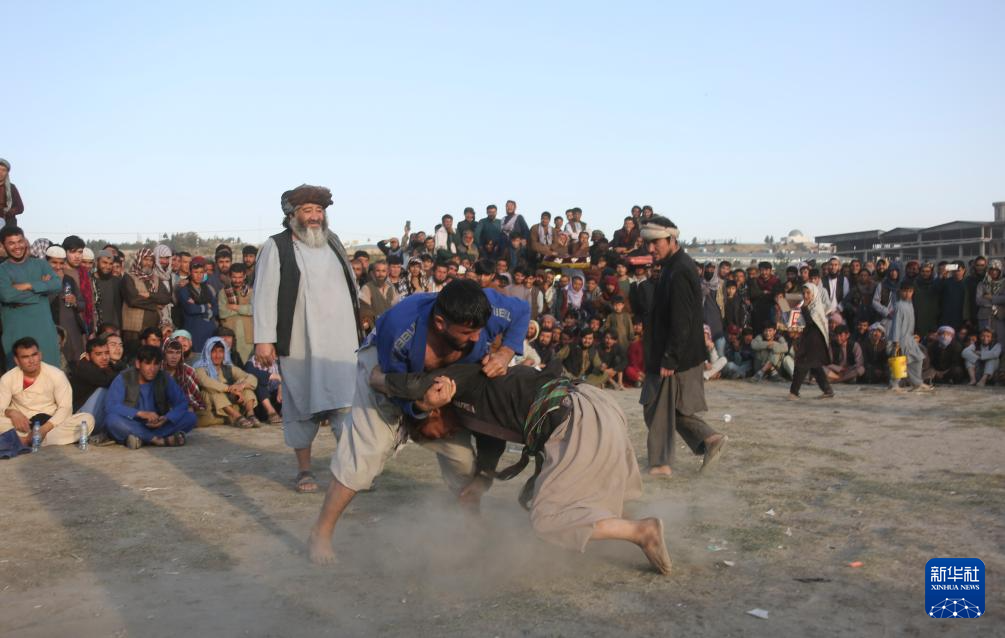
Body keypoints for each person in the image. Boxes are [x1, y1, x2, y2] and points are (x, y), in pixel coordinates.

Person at [372, 363, 672, 576]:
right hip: (593, 404)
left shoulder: (458, 384)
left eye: (430, 434)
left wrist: (378, 378)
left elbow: (416, 384)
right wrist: (481, 480)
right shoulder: (474, 409)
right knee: (594, 489)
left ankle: (639, 531)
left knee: (547, 520)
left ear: (432, 410)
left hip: (573, 413)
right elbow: (492, 443)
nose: (443, 437)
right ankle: (623, 529)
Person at [308, 278, 528, 564]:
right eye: (467, 332)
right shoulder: (399, 330)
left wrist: (506, 352)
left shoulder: (483, 307)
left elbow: (521, 310)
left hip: (446, 381)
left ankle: (472, 525)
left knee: (462, 462)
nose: (477, 338)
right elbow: (396, 387)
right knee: (367, 451)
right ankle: (321, 532)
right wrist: (423, 409)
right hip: (386, 375)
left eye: (479, 330)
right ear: (440, 323)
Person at [253, 184, 363, 493]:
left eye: (319, 210)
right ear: (292, 215)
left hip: (341, 341)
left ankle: (350, 472)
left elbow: (352, 288)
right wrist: (264, 339)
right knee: (301, 403)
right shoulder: (277, 246)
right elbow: (264, 294)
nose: (315, 217)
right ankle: (304, 470)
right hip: (301, 341)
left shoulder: (334, 242)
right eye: (307, 211)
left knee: (346, 403)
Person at [639, 216, 726, 479]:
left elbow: (683, 320)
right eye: (647, 243)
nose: (651, 249)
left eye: (655, 242)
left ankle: (660, 464)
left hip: (675, 355)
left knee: (656, 407)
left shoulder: (680, 270)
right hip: (672, 353)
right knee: (671, 409)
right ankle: (709, 439)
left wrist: (670, 358)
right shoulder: (673, 266)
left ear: (671, 239)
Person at [0, 337, 95, 449]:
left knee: (87, 420)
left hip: (50, 424)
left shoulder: (56, 375)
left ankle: (24, 440)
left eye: (34, 355)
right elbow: (1, 407)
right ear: (17, 360)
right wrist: (11, 412)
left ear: (40, 355)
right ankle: (31, 440)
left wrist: (44, 429)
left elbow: (65, 408)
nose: (31, 360)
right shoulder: (8, 378)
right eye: (25, 357)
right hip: (21, 425)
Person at [103, 345, 197, 448]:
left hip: (158, 425)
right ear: (138, 364)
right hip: (132, 423)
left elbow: (181, 403)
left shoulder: (164, 378)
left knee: (190, 417)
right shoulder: (124, 378)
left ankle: (142, 438)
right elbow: (111, 406)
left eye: (156, 364)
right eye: (147, 363)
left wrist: (166, 418)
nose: (152, 369)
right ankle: (157, 440)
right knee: (111, 420)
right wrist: (140, 414)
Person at [0, 226, 62, 366]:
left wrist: (28, 285)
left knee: (50, 373)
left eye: (20, 241)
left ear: (25, 241)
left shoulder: (41, 264)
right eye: (11, 243)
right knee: (20, 377)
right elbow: (7, 296)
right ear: (3, 245)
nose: (17, 246)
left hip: (45, 333)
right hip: (16, 335)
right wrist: (41, 292)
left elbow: (57, 284)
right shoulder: (2, 270)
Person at [192, 337, 259, 428]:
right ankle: (237, 417)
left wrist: (241, 386)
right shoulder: (199, 368)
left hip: (229, 401)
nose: (218, 355)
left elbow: (252, 378)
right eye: (214, 351)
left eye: (221, 351)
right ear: (208, 352)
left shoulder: (228, 367)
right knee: (215, 391)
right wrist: (229, 389)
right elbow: (206, 382)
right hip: (209, 403)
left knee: (247, 388)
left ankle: (251, 415)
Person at [121, 248, 172, 351]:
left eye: (151, 260)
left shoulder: (156, 279)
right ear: (139, 260)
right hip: (133, 329)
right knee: (133, 356)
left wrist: (150, 295)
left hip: (153, 329)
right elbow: (133, 300)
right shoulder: (128, 277)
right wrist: (155, 305)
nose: (148, 263)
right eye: (145, 259)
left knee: (151, 356)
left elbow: (166, 298)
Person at [887, 282, 933, 393]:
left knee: (918, 358)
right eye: (905, 291)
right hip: (901, 338)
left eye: (910, 291)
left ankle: (917, 383)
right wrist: (896, 341)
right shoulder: (899, 306)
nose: (907, 294)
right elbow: (896, 324)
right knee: (900, 361)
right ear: (900, 292)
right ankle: (894, 384)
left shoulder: (910, 304)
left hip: (909, 337)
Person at [45, 246, 86, 367]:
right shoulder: (41, 279)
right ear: (46, 262)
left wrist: (75, 301)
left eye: (61, 263)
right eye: (54, 262)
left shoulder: (69, 280)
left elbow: (82, 305)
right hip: (50, 330)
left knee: (75, 364)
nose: (58, 267)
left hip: (72, 330)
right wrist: (50, 285)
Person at [71, 337, 118, 438]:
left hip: (92, 414)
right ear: (88, 356)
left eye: (106, 353)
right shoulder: (84, 368)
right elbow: (106, 381)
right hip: (79, 420)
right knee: (104, 390)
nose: (104, 358)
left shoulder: (107, 368)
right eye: (98, 354)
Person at [177, 257, 218, 351]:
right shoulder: (184, 290)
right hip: (193, 331)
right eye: (196, 272)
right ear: (190, 272)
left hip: (209, 331)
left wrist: (199, 308)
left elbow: (216, 309)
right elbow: (191, 309)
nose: (199, 275)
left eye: (201, 272)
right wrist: (207, 306)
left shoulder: (208, 289)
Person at [218, 262, 254, 364]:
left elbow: (254, 310)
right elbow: (222, 313)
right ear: (230, 276)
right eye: (234, 277)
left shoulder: (251, 292)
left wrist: (236, 307)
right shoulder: (223, 292)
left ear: (244, 276)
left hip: (248, 337)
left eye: (240, 277)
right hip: (229, 336)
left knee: (247, 366)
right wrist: (245, 310)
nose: (237, 280)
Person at [161, 337, 206, 413]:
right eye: (170, 352)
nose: (174, 357)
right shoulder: (157, 369)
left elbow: (196, 399)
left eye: (178, 352)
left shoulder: (188, 371)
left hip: (183, 409)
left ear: (181, 354)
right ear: (164, 353)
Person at [91, 249, 123, 330]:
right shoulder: (89, 280)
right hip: (94, 328)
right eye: (104, 263)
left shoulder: (117, 281)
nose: (108, 266)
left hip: (113, 329)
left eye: (110, 264)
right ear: (97, 262)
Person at [0, 158, 24, 226]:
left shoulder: (11, 187)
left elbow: (20, 208)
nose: (0, 172)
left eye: (3, 170)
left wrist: (6, 212)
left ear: (7, 173)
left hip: (7, 221)